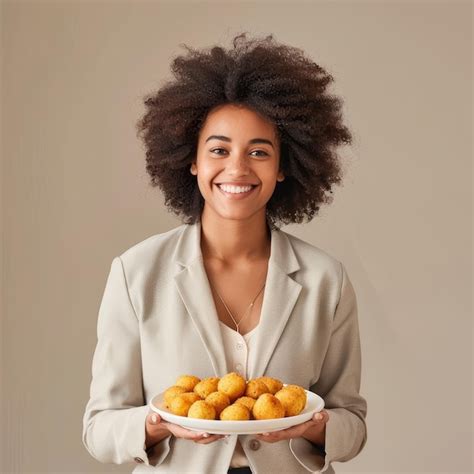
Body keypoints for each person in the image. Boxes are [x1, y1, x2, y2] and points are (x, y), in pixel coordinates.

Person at [82, 32, 367, 474]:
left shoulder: (325, 278)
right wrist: (159, 425)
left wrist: (312, 425)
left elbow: (352, 422)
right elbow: (99, 428)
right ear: (192, 159)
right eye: (218, 149)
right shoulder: (136, 272)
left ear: (284, 167)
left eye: (259, 152)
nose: (237, 168)